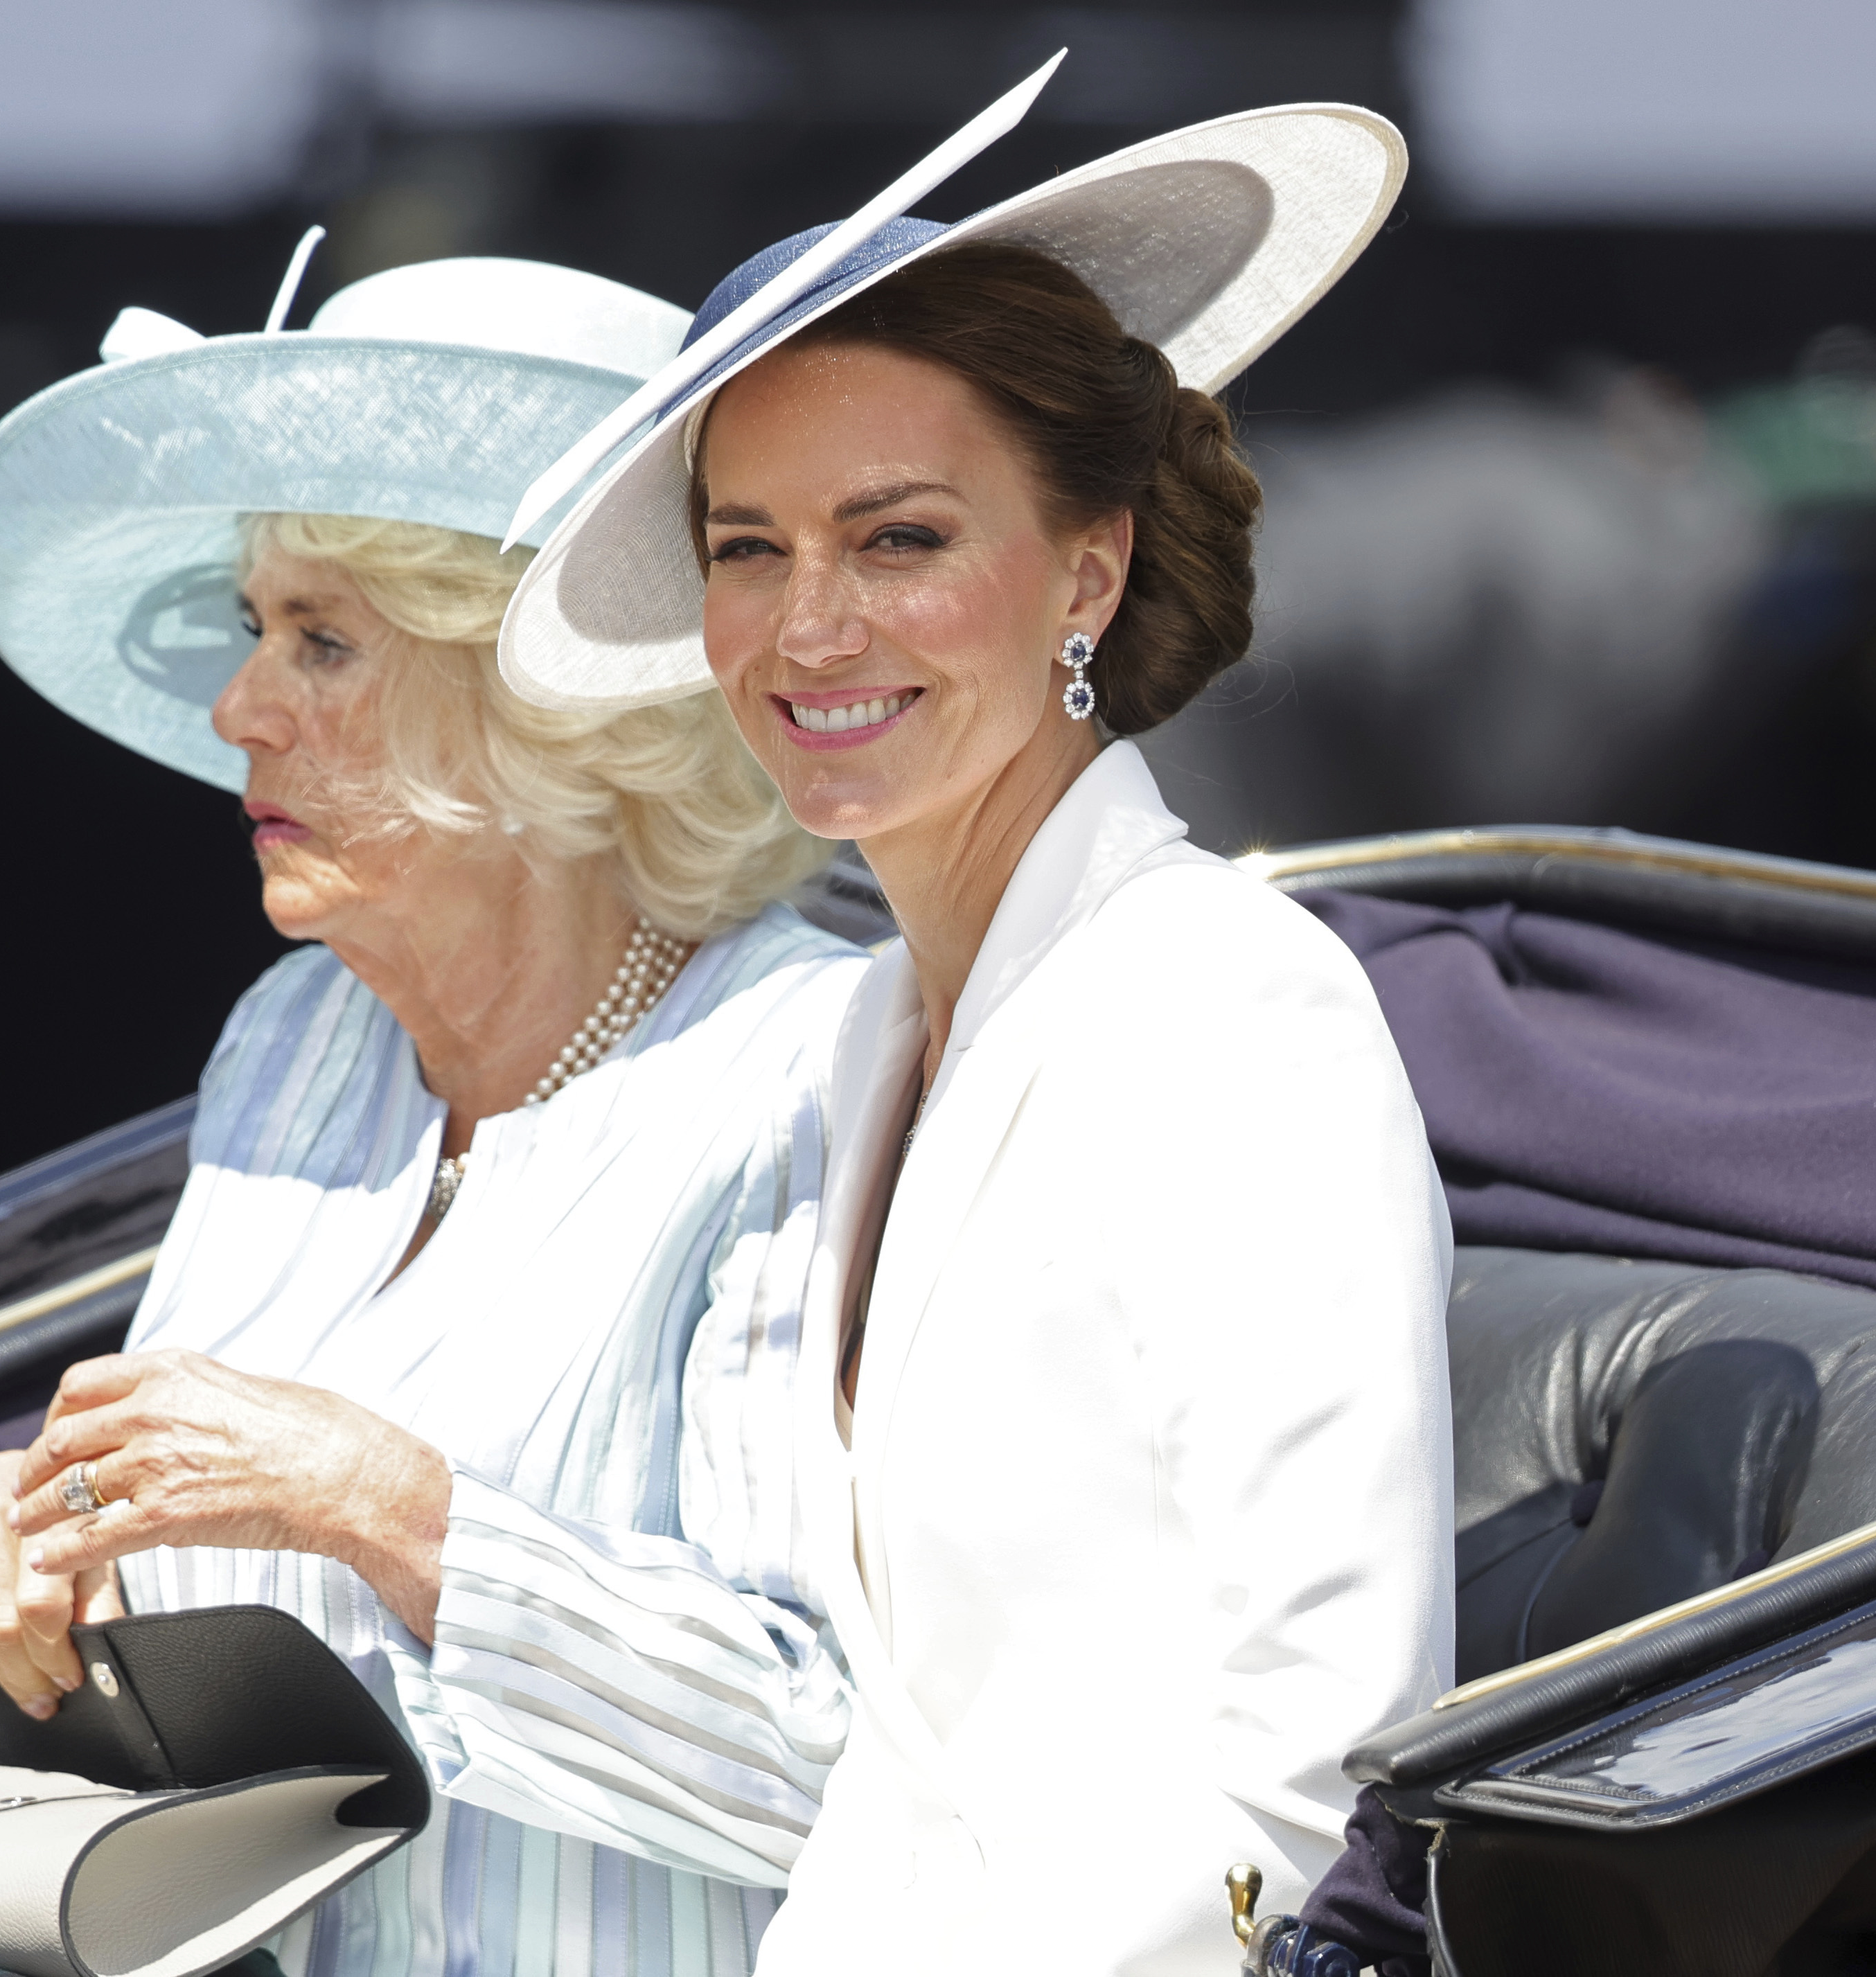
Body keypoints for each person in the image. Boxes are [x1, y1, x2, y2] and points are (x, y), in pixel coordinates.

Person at [493, 105, 1456, 1973]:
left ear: (1084, 573)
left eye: (900, 535)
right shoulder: (870, 1024)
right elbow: (909, 1751)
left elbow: (1326, 1769)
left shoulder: (1228, 1009)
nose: (811, 622)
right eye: (747, 546)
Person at [0, 255, 869, 1976]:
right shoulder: (302, 1039)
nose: (235, 707)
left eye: (319, 639)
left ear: (552, 697)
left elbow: (841, 1758)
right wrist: (29, 1549)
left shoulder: (809, 1073)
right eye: (255, 628)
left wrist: (395, 1510)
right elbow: (202, 1545)